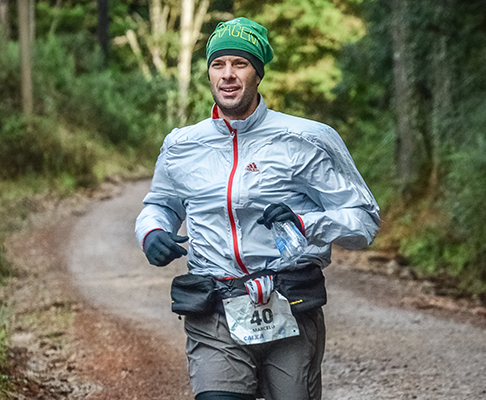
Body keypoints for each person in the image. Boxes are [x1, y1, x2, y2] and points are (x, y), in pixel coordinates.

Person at [135, 17, 380, 400]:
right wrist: (151, 233)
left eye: (240, 64)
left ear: (258, 73)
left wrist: (305, 222)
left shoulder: (306, 139)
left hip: (290, 304)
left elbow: (363, 222)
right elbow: (160, 205)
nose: (228, 75)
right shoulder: (182, 145)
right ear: (209, 73)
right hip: (213, 306)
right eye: (219, 64)